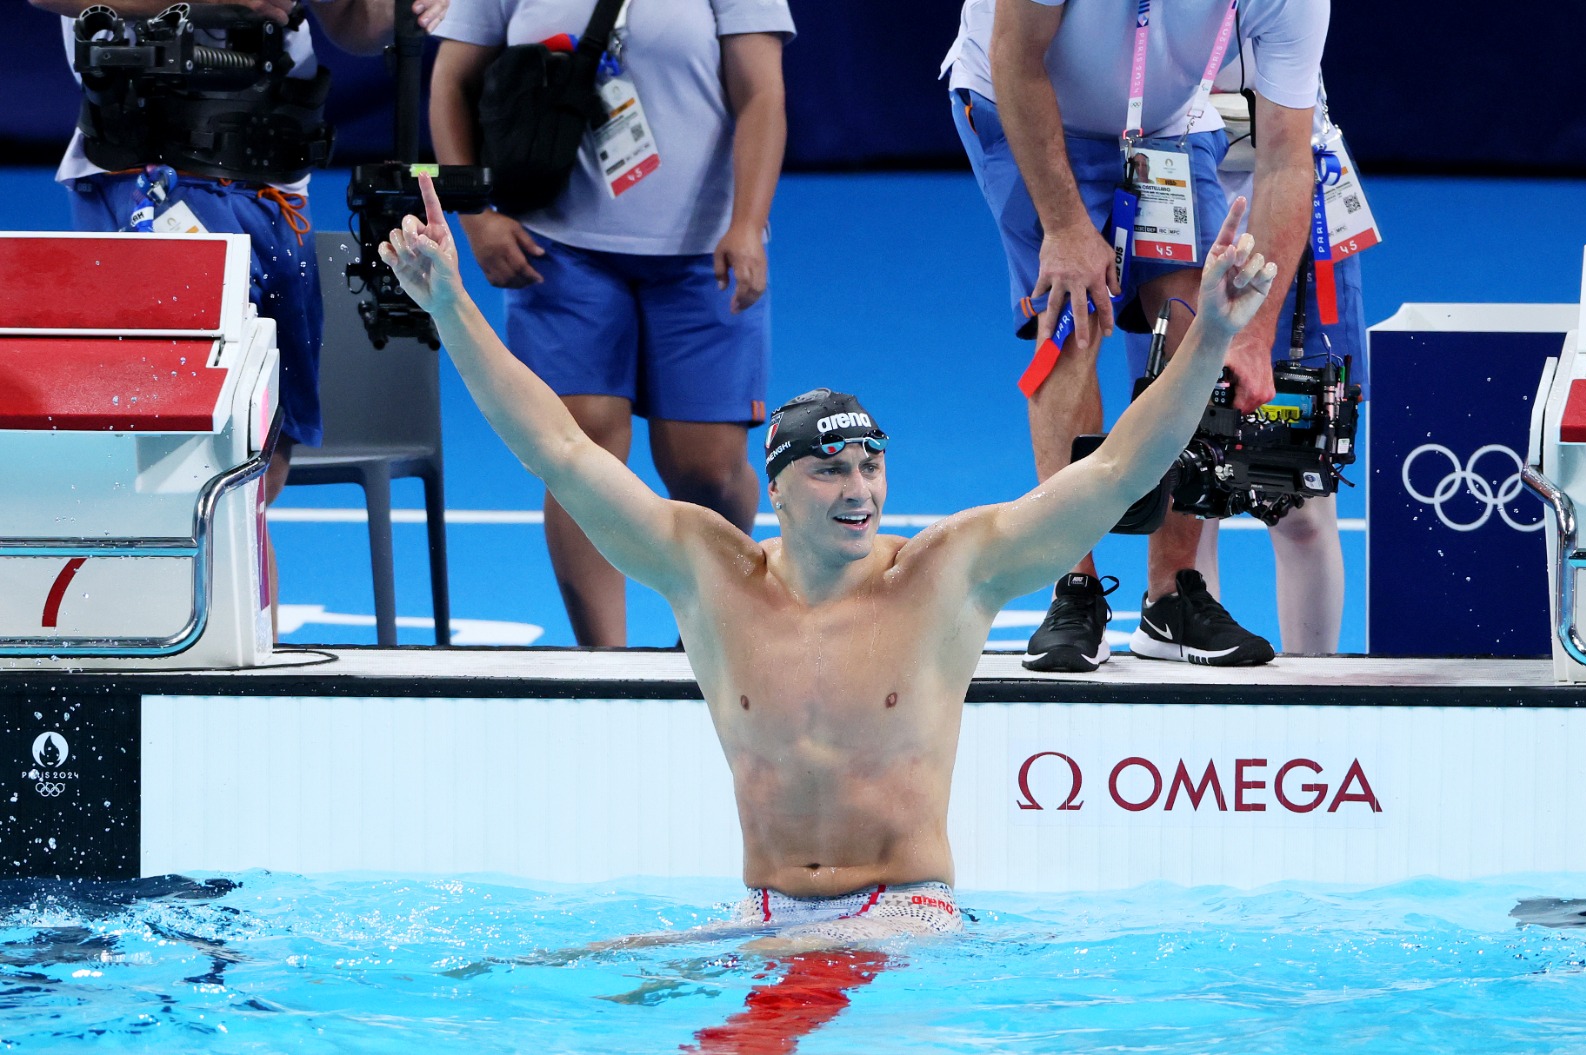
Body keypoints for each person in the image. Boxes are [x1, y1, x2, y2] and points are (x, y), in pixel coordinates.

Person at [379, 172, 1278, 947]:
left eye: (870, 464)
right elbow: (560, 451)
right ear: (777, 489)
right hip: (765, 910)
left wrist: (1208, 339)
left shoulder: (944, 576)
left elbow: (1118, 471)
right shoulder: (709, 573)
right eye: (830, 470)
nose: (860, 489)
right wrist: (452, 309)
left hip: (907, 916)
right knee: (564, 978)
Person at [31, 0, 449, 637]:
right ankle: (157, 658)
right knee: (175, 464)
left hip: (277, 192)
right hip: (151, 178)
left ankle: (246, 667)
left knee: (257, 468)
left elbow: (351, 24)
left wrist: (397, 9)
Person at [943, 0, 1329, 672]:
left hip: (1169, 125)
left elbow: (1287, 158)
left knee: (1196, 332)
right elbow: (1015, 53)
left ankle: (1171, 596)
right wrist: (1064, 226)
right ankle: (1076, 586)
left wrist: (1251, 331)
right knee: (1071, 319)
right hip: (1017, 97)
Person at [428, 0, 792, 647]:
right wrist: (475, 213)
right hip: (558, 253)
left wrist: (746, 222)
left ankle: (707, 644)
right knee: (579, 453)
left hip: (703, 253)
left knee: (707, 467)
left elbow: (761, 93)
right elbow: (451, 80)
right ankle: (604, 664)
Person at [1135, 60, 1370, 655]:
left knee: (1304, 503)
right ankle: (1198, 684)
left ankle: (1315, 695)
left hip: (1294, 220)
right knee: (1188, 493)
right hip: (1174, 207)